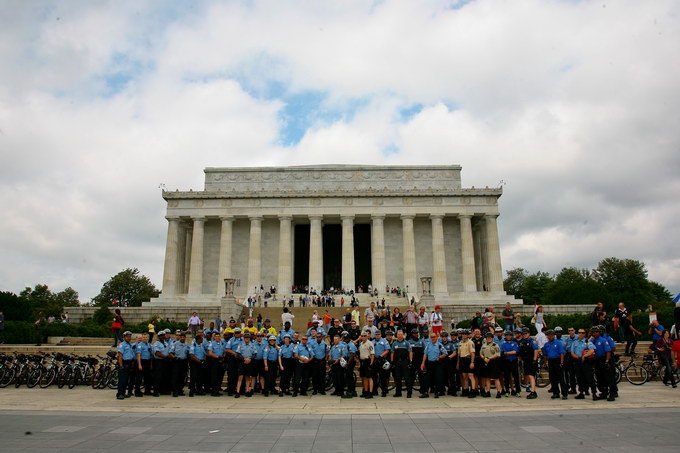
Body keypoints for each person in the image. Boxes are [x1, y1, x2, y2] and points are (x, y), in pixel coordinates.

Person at [543, 330, 567, 399]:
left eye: (551, 335)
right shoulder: (546, 344)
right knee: (552, 378)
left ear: (554, 335)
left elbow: (562, 353)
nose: (549, 336)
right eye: (548, 335)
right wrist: (545, 363)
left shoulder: (558, 343)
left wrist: (562, 362)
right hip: (550, 361)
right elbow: (545, 354)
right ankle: (556, 393)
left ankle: (564, 393)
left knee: (561, 378)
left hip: (557, 360)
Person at [420, 332, 447, 398]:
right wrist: (423, 363)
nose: (433, 338)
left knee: (438, 378)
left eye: (434, 337)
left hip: (437, 364)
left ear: (437, 337)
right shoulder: (428, 345)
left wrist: (439, 357)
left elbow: (445, 353)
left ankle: (437, 392)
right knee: (427, 378)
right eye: (431, 337)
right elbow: (425, 354)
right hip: (429, 364)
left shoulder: (439, 345)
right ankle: (426, 392)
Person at [391, 330, 413, 398]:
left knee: (407, 378)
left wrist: (410, 361)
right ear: (396, 335)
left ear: (403, 335)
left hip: (405, 362)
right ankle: (398, 392)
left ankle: (409, 393)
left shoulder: (407, 343)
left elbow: (410, 352)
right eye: (398, 334)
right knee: (398, 378)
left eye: (401, 334)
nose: (400, 336)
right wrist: (392, 362)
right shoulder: (394, 343)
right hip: (397, 362)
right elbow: (392, 353)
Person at [480, 332, 502, 398]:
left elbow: (498, 354)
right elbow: (481, 353)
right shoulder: (483, 345)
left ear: (492, 338)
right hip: (486, 362)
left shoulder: (495, 345)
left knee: (496, 378)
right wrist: (483, 357)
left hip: (494, 362)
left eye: (490, 337)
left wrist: (490, 358)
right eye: (488, 337)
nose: (489, 338)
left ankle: (498, 392)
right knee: (487, 378)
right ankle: (488, 392)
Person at [518, 327, 539, 399]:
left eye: (525, 333)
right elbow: (520, 352)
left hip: (531, 360)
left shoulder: (532, 341)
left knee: (531, 376)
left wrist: (534, 360)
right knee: (528, 375)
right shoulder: (522, 342)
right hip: (525, 361)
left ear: (529, 334)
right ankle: (533, 390)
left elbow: (536, 350)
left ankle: (533, 391)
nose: (524, 335)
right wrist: (520, 360)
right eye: (523, 334)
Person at [500, 330, 521, 397]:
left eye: (510, 335)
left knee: (516, 376)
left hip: (514, 361)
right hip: (506, 361)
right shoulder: (503, 344)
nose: (508, 336)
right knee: (506, 377)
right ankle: (507, 391)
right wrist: (509, 352)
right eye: (507, 335)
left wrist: (507, 353)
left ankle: (518, 391)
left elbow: (515, 351)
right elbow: (502, 352)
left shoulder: (515, 343)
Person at [457, 330, 476, 398]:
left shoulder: (470, 343)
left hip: (468, 359)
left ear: (468, 335)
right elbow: (459, 354)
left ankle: (473, 390)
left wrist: (472, 362)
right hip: (462, 360)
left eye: (465, 334)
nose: (464, 335)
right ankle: (466, 389)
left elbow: (473, 353)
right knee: (464, 376)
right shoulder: (460, 343)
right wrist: (458, 363)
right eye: (463, 334)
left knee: (470, 375)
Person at [116, 331, 135, 400]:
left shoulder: (129, 345)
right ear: (124, 337)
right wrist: (121, 365)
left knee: (126, 380)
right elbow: (120, 356)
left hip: (129, 363)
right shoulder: (122, 345)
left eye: (130, 337)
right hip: (124, 363)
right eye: (127, 337)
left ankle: (123, 392)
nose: (129, 338)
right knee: (122, 379)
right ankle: (120, 393)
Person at [169, 331, 189, 397]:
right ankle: (175, 391)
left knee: (182, 377)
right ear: (179, 337)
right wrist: (174, 358)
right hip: (177, 361)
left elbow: (189, 353)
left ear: (185, 338)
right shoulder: (175, 344)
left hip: (184, 362)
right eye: (181, 337)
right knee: (175, 377)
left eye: (183, 337)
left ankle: (180, 390)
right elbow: (170, 352)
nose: (182, 338)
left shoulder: (187, 345)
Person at [372, 330, 391, 397]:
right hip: (375, 360)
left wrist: (381, 356)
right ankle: (375, 390)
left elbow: (387, 350)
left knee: (383, 377)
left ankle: (384, 391)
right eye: (376, 334)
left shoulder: (384, 341)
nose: (377, 335)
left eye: (378, 334)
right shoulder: (372, 342)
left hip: (382, 360)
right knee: (374, 377)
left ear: (381, 335)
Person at [310, 331, 329, 395]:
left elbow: (327, 351)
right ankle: (315, 390)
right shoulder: (313, 344)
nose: (318, 338)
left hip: (322, 362)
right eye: (317, 337)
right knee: (315, 376)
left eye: (319, 337)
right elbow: (311, 352)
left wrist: (326, 358)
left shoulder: (325, 344)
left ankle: (322, 390)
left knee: (322, 376)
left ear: (322, 337)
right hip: (315, 362)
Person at [358, 331, 375, 398]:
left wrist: (371, 363)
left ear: (368, 336)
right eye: (362, 336)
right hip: (362, 361)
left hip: (368, 361)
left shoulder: (370, 343)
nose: (363, 337)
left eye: (365, 336)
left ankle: (370, 392)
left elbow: (372, 354)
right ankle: (366, 391)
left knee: (369, 377)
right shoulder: (361, 343)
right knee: (364, 377)